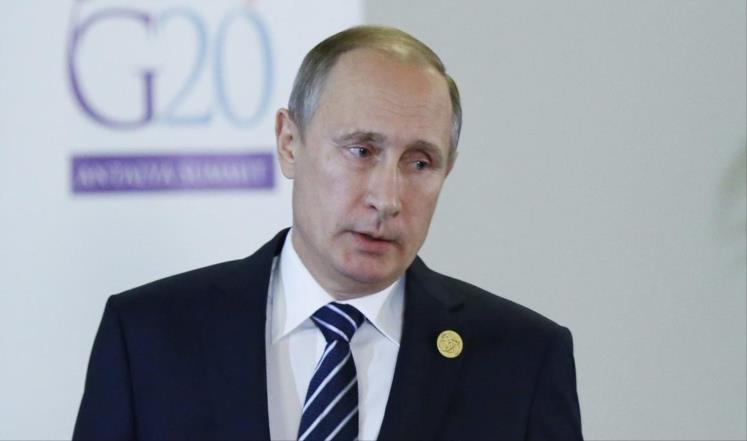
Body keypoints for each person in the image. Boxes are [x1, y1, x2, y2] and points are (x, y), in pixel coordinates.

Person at [73, 26, 583, 440]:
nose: (387, 198)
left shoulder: (522, 359)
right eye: (361, 151)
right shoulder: (148, 336)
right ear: (289, 143)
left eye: (420, 162)